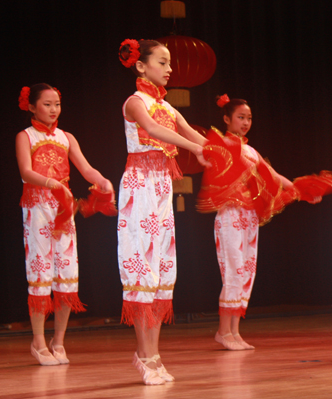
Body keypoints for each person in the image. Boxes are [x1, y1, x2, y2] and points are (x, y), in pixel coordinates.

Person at [117, 39, 209, 385]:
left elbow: (193, 135)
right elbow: (155, 132)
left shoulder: (168, 106)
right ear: (141, 66)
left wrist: (225, 153)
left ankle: (152, 354)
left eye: (170, 62)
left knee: (159, 271)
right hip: (140, 186)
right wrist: (194, 150)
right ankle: (145, 355)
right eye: (163, 61)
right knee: (142, 267)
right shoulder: (135, 102)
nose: (170, 68)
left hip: (160, 189)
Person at [16, 83, 114, 366]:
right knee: (40, 273)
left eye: (57, 104)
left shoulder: (66, 137)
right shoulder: (26, 136)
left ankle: (58, 340)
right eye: (46, 104)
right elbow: (26, 171)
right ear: (32, 106)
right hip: (38, 207)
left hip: (63, 209)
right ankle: (37, 341)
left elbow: (85, 168)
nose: (53, 109)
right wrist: (52, 184)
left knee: (67, 274)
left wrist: (102, 181)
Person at [197, 94, 297, 351]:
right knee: (233, 271)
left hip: (249, 217)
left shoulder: (251, 151)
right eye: (240, 117)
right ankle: (223, 331)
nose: (245, 122)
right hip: (230, 214)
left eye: (249, 118)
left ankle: (234, 331)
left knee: (246, 273)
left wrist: (299, 189)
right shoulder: (220, 146)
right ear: (226, 119)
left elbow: (272, 176)